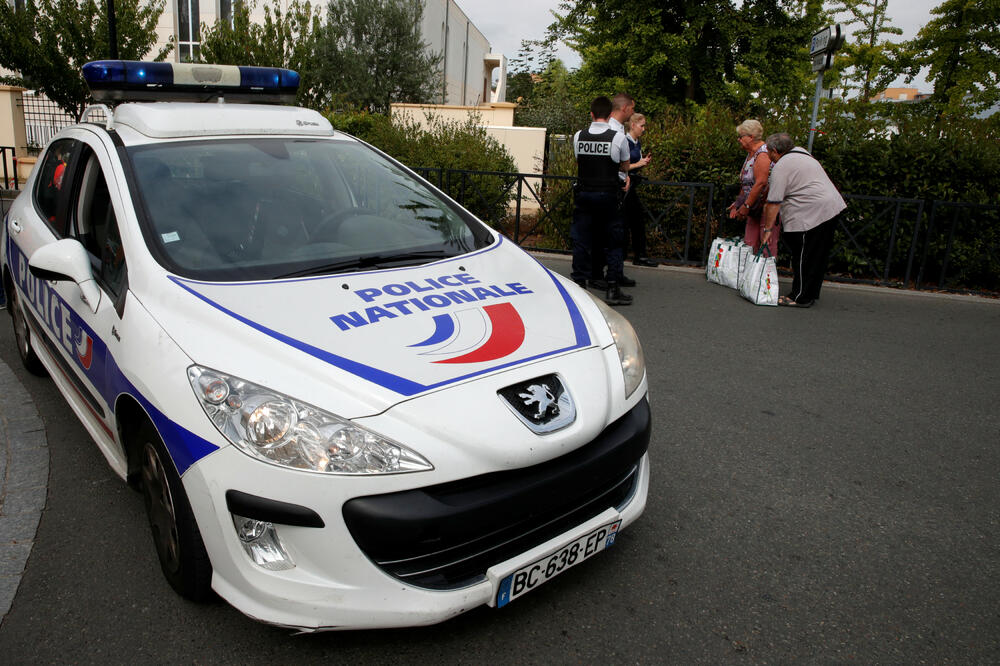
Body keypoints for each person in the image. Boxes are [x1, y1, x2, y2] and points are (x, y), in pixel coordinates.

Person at [762, 132, 847, 308]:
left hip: (811, 213)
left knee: (803, 255)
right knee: (818, 256)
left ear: (775, 151)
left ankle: (799, 296)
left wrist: (767, 230)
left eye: (769, 152)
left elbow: (774, 202)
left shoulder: (781, 166)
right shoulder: (802, 152)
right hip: (831, 207)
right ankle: (810, 293)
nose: (768, 156)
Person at [571, 96, 633, 306]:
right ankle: (613, 286)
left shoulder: (579, 136)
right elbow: (625, 166)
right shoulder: (618, 138)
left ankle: (579, 284)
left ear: (591, 114)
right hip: (608, 195)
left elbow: (580, 161)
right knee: (614, 241)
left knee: (581, 239)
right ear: (609, 115)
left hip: (584, 195)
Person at [727, 120, 776, 255]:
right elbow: (746, 183)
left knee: (766, 244)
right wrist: (738, 202)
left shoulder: (763, 153)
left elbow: (761, 183)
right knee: (749, 243)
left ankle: (764, 274)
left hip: (766, 206)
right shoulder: (751, 154)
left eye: (741, 136)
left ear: (751, 137)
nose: (739, 139)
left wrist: (746, 205)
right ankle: (749, 274)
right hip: (753, 206)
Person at [622, 112, 657, 267]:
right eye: (642, 125)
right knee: (633, 220)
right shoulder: (626, 141)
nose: (644, 129)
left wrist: (642, 162)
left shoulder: (637, 142)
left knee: (634, 220)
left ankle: (636, 254)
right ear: (633, 125)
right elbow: (623, 166)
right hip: (625, 184)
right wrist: (639, 164)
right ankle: (637, 255)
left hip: (633, 183)